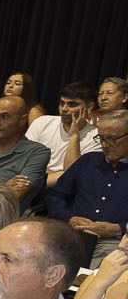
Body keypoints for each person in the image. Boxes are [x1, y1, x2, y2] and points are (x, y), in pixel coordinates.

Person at [46, 109, 128, 265]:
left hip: (116, 241)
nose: (104, 145)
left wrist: (119, 228)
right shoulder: (87, 161)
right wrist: (69, 218)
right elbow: (55, 195)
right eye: (101, 138)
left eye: (111, 139)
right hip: (73, 235)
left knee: (100, 273)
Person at [26, 81, 101, 186]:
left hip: (61, 190)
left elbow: (72, 175)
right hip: (30, 182)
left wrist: (74, 135)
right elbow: (23, 159)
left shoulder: (97, 137)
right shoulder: (42, 122)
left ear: (89, 107)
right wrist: (54, 175)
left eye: (72, 104)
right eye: (62, 103)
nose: (64, 109)